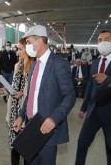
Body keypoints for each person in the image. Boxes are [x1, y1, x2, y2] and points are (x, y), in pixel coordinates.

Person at [13, 25, 75, 165]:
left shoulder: (59, 64)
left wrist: (54, 118)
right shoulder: (34, 65)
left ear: (39, 41)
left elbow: (69, 96)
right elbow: (30, 95)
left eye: (28, 42)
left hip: (46, 130)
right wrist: (21, 116)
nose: (27, 46)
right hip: (30, 127)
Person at [75, 30, 111, 165]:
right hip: (93, 112)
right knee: (82, 143)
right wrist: (83, 107)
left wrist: (109, 79)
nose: (103, 42)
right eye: (100, 40)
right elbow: (90, 87)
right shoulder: (96, 62)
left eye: (107, 39)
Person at [0, 38, 35, 165]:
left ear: (28, 49)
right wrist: (6, 91)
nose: (17, 51)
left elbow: (35, 91)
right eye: (17, 48)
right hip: (13, 110)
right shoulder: (17, 65)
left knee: (26, 148)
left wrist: (23, 93)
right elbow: (14, 86)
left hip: (25, 112)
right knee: (14, 147)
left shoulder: (34, 67)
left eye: (20, 49)